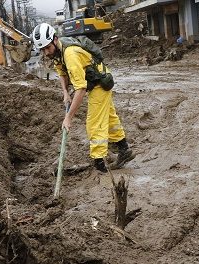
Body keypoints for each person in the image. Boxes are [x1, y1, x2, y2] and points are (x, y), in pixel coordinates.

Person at [31, 23, 134, 173]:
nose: (46, 52)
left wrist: (68, 117)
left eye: (47, 47)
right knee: (110, 118)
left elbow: (80, 89)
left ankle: (100, 163)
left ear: (55, 39)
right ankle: (124, 149)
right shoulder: (57, 52)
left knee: (94, 123)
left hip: (99, 82)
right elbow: (62, 73)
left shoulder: (70, 54)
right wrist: (65, 93)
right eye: (42, 49)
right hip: (93, 81)